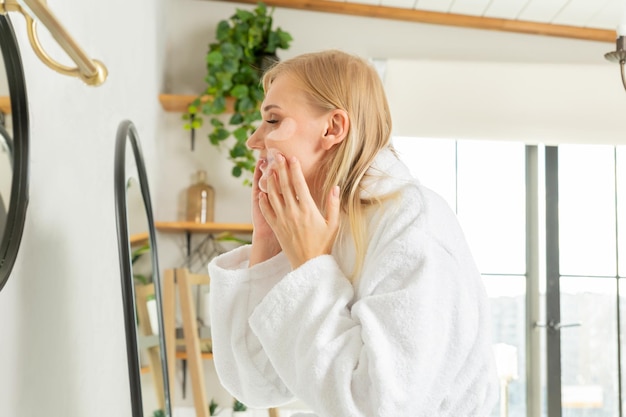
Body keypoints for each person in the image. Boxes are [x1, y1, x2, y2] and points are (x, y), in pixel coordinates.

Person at [208, 49, 499, 417]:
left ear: (332, 129)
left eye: (273, 120)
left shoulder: (413, 223)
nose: (254, 140)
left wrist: (313, 266)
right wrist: (266, 246)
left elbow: (381, 406)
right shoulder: (321, 229)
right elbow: (255, 384)